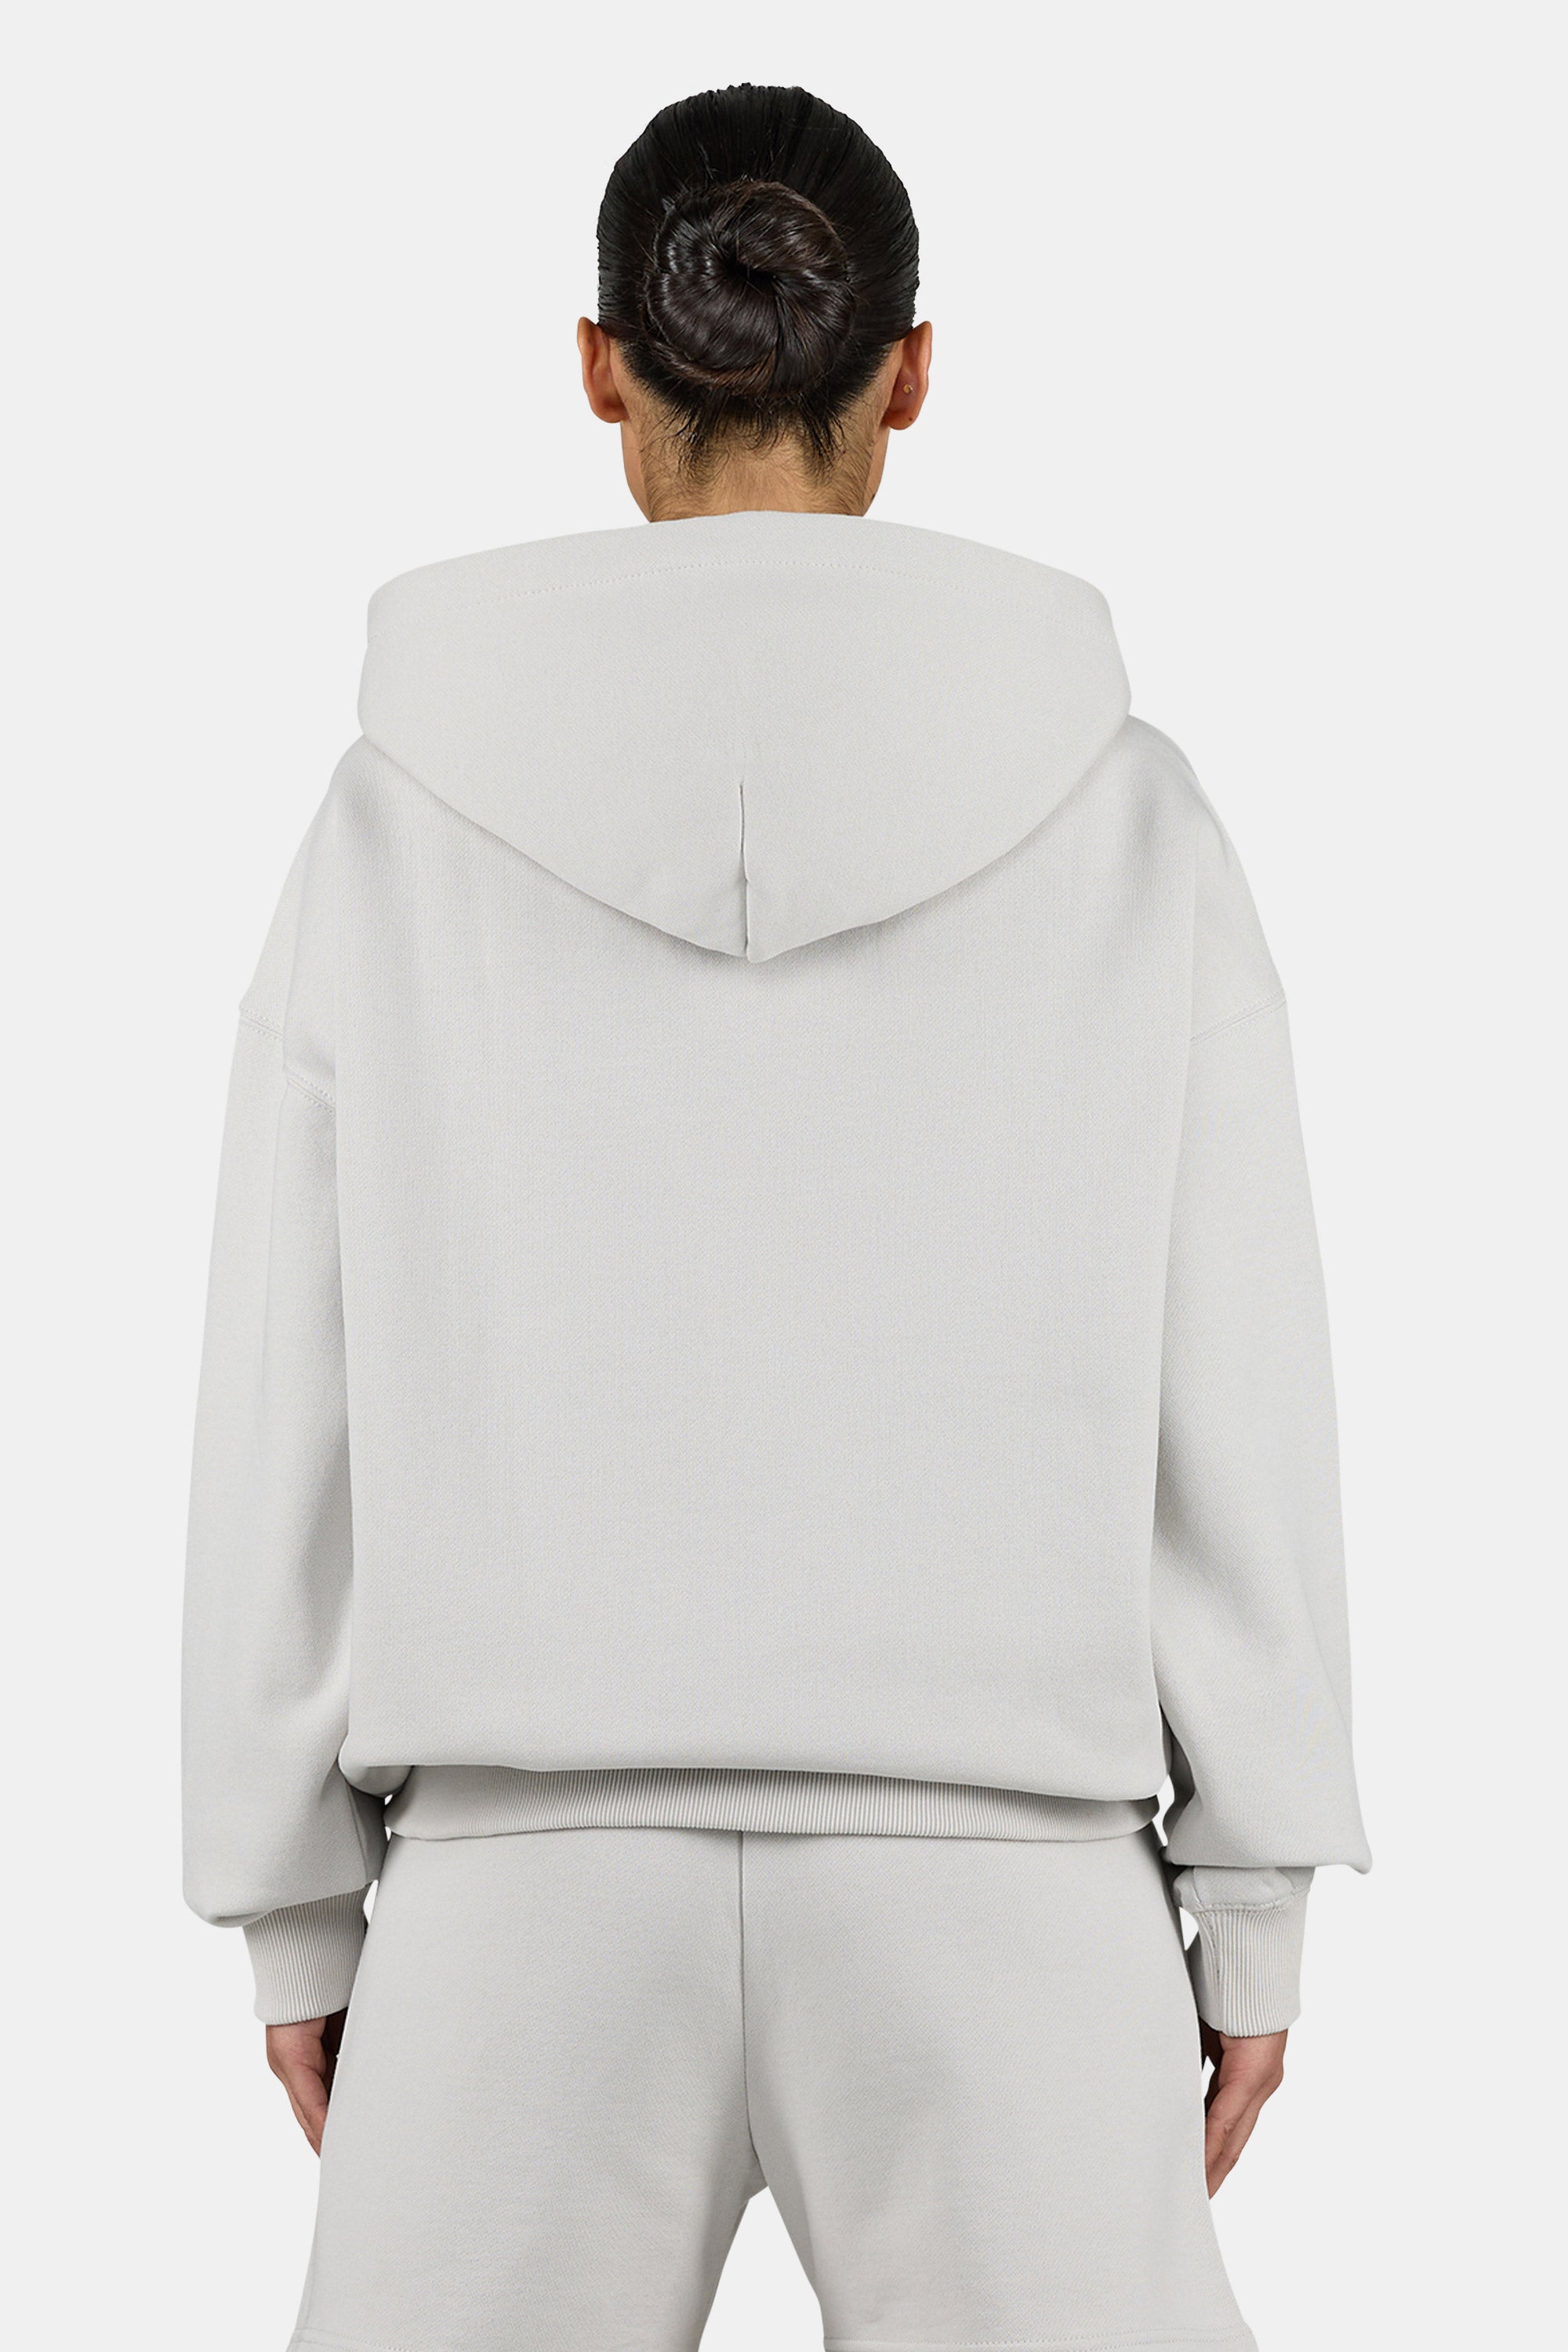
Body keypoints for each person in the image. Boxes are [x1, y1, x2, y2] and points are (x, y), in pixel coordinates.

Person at [183, 81, 1369, 2352]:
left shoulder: (391, 820)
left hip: (516, 1893)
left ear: (599, 365)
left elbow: (282, 1380)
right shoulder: (1128, 818)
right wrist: (1256, 1889)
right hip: (1007, 1885)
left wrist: (290, 1893)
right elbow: (1240, 1371)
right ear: (909, 372)